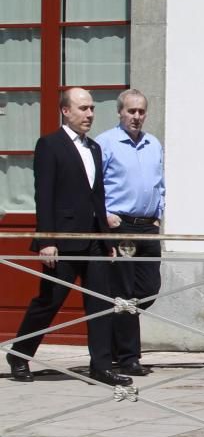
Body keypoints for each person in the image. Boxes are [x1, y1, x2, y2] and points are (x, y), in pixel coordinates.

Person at [7, 88, 129, 387]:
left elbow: (98, 196)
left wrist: (108, 240)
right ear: (65, 111)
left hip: (95, 241)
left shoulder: (95, 148)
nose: (89, 114)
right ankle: (20, 353)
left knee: (100, 302)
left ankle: (101, 366)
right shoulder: (50, 145)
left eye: (91, 109)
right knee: (49, 301)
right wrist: (47, 239)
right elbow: (44, 195)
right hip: (62, 240)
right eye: (83, 108)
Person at [93, 88, 164, 377]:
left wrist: (159, 214)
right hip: (120, 225)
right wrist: (105, 216)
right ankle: (128, 357)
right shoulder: (106, 143)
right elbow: (94, 185)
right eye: (131, 111)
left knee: (148, 289)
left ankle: (114, 338)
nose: (136, 117)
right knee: (124, 293)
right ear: (120, 112)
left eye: (141, 111)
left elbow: (159, 182)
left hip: (147, 225)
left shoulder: (153, 143)